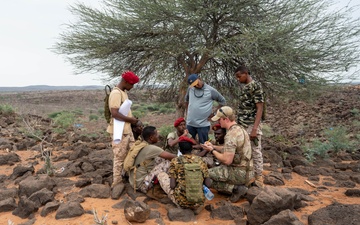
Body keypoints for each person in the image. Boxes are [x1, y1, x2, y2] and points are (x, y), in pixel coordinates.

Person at [202, 106, 254, 203]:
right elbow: (230, 149)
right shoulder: (240, 129)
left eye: (219, 120)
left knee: (204, 174)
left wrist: (212, 151)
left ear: (225, 119)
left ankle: (234, 188)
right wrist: (213, 146)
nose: (218, 122)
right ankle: (240, 187)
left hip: (238, 172)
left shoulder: (231, 134)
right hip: (248, 170)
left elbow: (227, 160)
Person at [157, 139, 211, 215]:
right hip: (199, 201)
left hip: (182, 202)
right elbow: (208, 184)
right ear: (192, 149)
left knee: (161, 175)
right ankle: (196, 206)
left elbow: (172, 186)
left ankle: (184, 204)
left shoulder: (175, 161)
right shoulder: (200, 160)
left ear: (180, 150)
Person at [107, 71, 140, 187]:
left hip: (126, 130)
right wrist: (131, 120)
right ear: (125, 82)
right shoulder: (116, 93)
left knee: (132, 153)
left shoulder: (123, 92)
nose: (132, 87)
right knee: (119, 157)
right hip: (119, 132)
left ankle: (128, 176)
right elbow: (115, 113)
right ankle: (117, 182)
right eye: (131, 84)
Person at [234, 65, 265, 188]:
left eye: (239, 76)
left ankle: (259, 177)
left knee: (255, 150)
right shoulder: (245, 87)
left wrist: (255, 129)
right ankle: (248, 176)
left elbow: (260, 108)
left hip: (251, 124)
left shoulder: (255, 86)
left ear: (246, 73)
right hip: (242, 124)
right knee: (244, 151)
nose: (238, 79)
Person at [128, 126, 176, 194]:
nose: (158, 135)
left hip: (134, 182)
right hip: (142, 185)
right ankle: (172, 189)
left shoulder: (142, 144)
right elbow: (173, 157)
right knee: (169, 163)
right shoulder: (151, 148)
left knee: (160, 159)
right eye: (156, 134)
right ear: (151, 137)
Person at [185, 74, 226, 144]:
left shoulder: (210, 90)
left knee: (204, 145)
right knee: (188, 143)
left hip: (203, 124)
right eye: (194, 85)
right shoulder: (190, 88)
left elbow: (223, 101)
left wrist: (214, 113)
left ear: (200, 79)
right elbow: (186, 100)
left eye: (197, 83)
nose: (196, 86)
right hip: (190, 123)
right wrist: (187, 112)